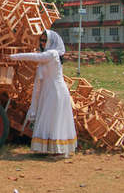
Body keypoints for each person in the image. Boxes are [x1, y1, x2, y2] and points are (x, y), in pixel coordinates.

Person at [8, 30, 77, 158]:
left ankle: (59, 150)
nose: (43, 43)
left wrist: (12, 56)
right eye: (42, 40)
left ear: (52, 42)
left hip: (56, 92)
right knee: (49, 119)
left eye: (45, 40)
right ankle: (50, 148)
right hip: (48, 91)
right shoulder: (47, 54)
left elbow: (33, 57)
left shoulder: (52, 54)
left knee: (55, 120)